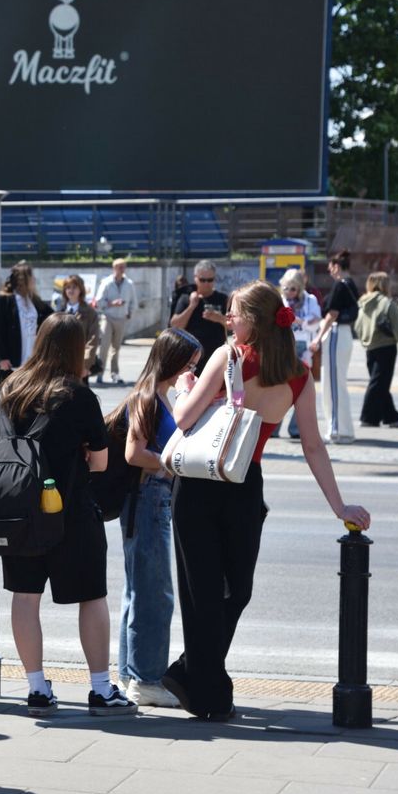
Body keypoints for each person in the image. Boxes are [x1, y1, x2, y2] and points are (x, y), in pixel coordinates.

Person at [162, 281, 371, 720]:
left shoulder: (227, 356)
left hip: (202, 484)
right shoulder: (297, 373)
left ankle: (193, 677)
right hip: (245, 483)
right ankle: (205, 686)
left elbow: (183, 418)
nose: (228, 319)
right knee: (234, 591)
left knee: (207, 591)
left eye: (234, 313)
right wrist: (340, 506)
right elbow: (312, 445)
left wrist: (184, 386)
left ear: (253, 321)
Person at [0, 313, 137, 717]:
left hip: (19, 511)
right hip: (68, 510)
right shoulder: (77, 396)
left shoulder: (11, 388)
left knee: (25, 597)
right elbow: (99, 462)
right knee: (91, 596)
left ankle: (37, 688)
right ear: (77, 349)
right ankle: (100, 688)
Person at [113, 327, 203, 708]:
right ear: (173, 361)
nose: (193, 371)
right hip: (150, 499)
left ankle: (131, 673)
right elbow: (134, 453)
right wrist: (169, 466)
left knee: (138, 590)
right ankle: (146, 679)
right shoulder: (148, 397)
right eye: (190, 364)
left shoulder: (158, 396)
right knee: (155, 593)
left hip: (148, 500)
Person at [310, 250, 360, 444]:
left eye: (331, 268)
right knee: (336, 383)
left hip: (337, 334)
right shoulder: (351, 284)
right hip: (344, 335)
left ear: (337, 267)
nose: (330, 272)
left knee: (332, 384)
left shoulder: (340, 285)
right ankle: (341, 428)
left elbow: (332, 314)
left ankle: (337, 429)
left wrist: (318, 338)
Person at [354, 272, 398, 429]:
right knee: (379, 383)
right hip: (386, 346)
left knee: (380, 383)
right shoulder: (387, 303)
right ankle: (368, 417)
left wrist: (365, 340)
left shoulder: (363, 302)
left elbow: (358, 325)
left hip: (370, 347)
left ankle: (392, 417)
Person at [278, 268, 322, 439]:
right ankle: (274, 428)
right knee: (281, 389)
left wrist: (298, 321)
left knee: (302, 390)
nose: (289, 292)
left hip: (303, 348)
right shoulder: (280, 301)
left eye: (293, 289)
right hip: (283, 348)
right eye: (286, 288)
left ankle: (295, 428)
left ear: (299, 288)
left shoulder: (309, 300)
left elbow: (315, 322)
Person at [0, 261, 51, 383]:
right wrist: (2, 357)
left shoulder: (34, 301)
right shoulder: (4, 300)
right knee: (10, 395)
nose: (34, 280)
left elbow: (52, 317)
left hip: (33, 360)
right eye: (32, 277)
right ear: (24, 280)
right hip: (11, 360)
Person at [169, 260, 228, 376]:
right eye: (202, 280)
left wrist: (219, 318)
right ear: (195, 278)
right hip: (191, 356)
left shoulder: (222, 299)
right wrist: (192, 306)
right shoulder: (186, 298)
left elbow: (235, 325)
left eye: (210, 280)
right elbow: (175, 325)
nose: (206, 283)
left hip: (215, 356)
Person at [93, 258, 138, 385]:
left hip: (121, 318)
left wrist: (129, 313)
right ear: (114, 268)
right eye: (119, 267)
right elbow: (99, 301)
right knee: (104, 347)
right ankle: (99, 373)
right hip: (108, 317)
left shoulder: (129, 283)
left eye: (123, 267)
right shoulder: (106, 283)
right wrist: (113, 304)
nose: (122, 270)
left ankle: (115, 373)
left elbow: (134, 301)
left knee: (116, 348)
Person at [55, 274, 101, 382]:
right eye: (68, 287)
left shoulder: (90, 313)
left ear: (81, 289)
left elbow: (93, 340)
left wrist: (85, 365)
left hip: (80, 362)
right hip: (60, 364)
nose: (71, 290)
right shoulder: (59, 311)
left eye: (74, 287)